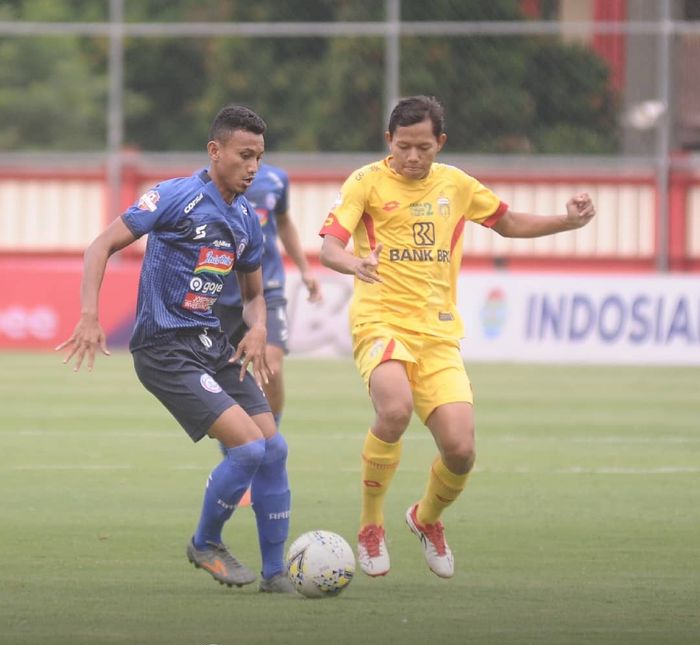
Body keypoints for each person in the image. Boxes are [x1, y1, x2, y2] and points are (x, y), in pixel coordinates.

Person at [319, 95, 595, 579]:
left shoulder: (457, 185)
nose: (411, 156)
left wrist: (566, 221)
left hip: (439, 333)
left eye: (422, 147)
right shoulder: (365, 182)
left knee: (461, 450)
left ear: (439, 143)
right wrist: (354, 263)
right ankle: (370, 524)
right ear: (389, 141)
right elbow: (330, 248)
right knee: (394, 409)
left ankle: (425, 519)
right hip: (380, 320)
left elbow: (507, 223)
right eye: (402, 146)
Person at [57, 104, 295, 594]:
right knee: (247, 448)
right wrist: (89, 315)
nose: (253, 167)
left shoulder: (247, 219)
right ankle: (205, 542)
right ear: (215, 151)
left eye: (259, 157)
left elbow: (254, 296)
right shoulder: (174, 196)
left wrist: (259, 329)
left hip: (212, 343)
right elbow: (99, 245)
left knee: (273, 448)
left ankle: (275, 575)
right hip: (164, 349)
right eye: (244, 155)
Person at [214, 162, 321, 426]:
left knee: (270, 366)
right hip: (222, 291)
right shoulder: (208, 182)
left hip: (267, 286)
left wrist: (305, 270)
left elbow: (284, 223)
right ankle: (237, 444)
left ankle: (270, 436)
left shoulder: (277, 179)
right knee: (226, 373)